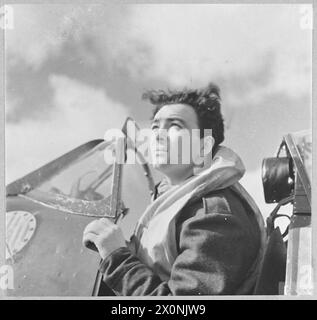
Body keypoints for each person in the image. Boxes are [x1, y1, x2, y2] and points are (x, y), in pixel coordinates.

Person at [82, 83, 266, 296]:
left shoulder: (212, 213)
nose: (158, 135)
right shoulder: (176, 202)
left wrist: (117, 258)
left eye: (175, 126)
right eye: (155, 127)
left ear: (204, 147)